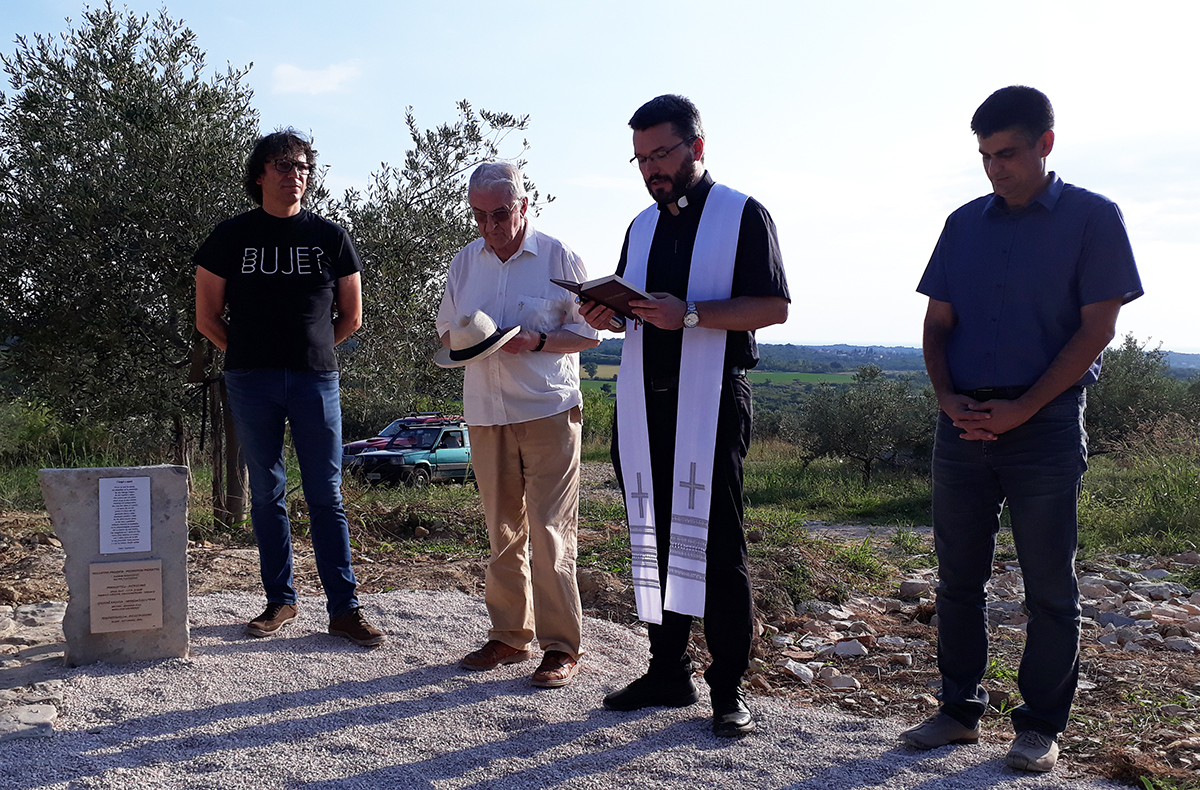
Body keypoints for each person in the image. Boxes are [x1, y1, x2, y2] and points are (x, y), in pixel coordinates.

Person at [901, 86, 1142, 772]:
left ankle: (1039, 727)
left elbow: (1097, 330)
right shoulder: (962, 223)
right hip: (962, 422)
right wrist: (947, 398)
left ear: (1046, 143)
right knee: (956, 579)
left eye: (1006, 153)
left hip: (1046, 424)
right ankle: (957, 711)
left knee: (1049, 587)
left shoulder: (1095, 218)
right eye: (984, 155)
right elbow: (937, 324)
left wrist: (1024, 408)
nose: (994, 168)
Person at [580, 95, 789, 737]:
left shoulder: (742, 213)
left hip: (713, 398)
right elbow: (634, 306)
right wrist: (605, 313)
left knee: (718, 543)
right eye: (641, 159)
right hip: (644, 400)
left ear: (696, 147)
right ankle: (667, 671)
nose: (651, 169)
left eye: (661, 153)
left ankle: (728, 688)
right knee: (651, 534)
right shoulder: (641, 226)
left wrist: (691, 314)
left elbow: (774, 306)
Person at [194, 128, 384, 647]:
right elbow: (207, 318)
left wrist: (309, 351)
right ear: (259, 175)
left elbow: (351, 317)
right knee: (267, 493)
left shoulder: (331, 237)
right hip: (250, 381)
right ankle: (280, 600)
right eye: (282, 165)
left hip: (315, 380)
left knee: (326, 494)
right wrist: (247, 354)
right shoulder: (229, 237)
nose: (293, 174)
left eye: (301, 166)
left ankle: (345, 609)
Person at [436, 162, 600, 688]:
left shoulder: (559, 256)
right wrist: (471, 340)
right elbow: (447, 331)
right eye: (479, 215)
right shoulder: (465, 262)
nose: (490, 226)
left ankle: (561, 647)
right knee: (502, 531)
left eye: (500, 214)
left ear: (524, 206)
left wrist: (538, 341)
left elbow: (590, 333)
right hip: (486, 413)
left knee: (551, 533)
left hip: (547, 410)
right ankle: (509, 635)